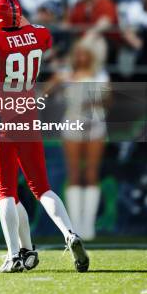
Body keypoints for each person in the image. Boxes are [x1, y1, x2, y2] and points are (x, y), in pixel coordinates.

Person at [0, 0, 90, 273]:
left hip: (0, 121)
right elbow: (24, 29)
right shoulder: (39, 34)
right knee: (42, 188)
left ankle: (14, 254)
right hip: (29, 117)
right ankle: (70, 233)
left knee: (4, 192)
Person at [50, 36, 109, 241]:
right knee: (74, 172)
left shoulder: (99, 74)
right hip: (72, 123)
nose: (82, 57)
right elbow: (45, 94)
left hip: (95, 123)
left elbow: (107, 100)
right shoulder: (66, 73)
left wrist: (92, 95)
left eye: (85, 53)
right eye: (79, 53)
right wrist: (57, 81)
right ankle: (74, 225)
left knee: (91, 173)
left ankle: (88, 225)